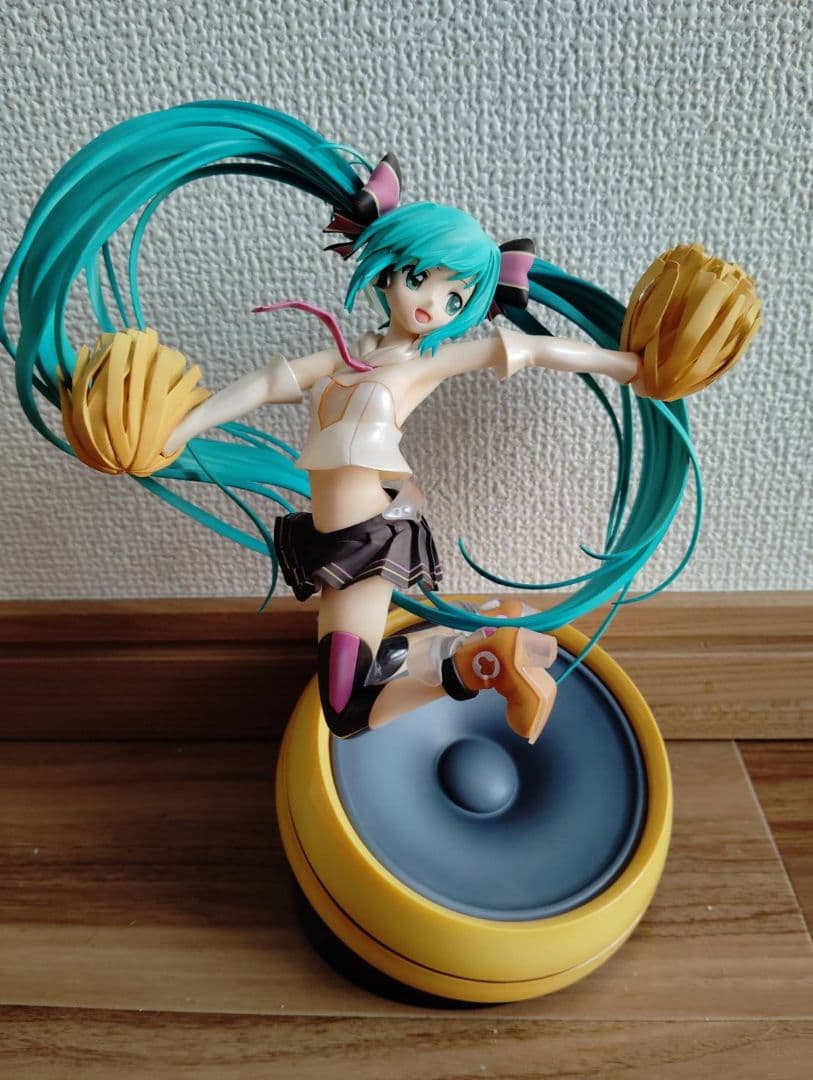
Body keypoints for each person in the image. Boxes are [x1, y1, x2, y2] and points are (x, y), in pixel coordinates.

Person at [3, 101, 748, 744]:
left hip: (369, 538)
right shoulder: (345, 356)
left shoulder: (424, 364)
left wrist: (630, 366)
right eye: (421, 279)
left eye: (454, 299)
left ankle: (483, 658)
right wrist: (178, 429)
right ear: (388, 268)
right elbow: (261, 386)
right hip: (342, 536)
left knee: (344, 708)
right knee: (348, 693)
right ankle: (488, 639)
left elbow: (538, 350)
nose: (430, 304)